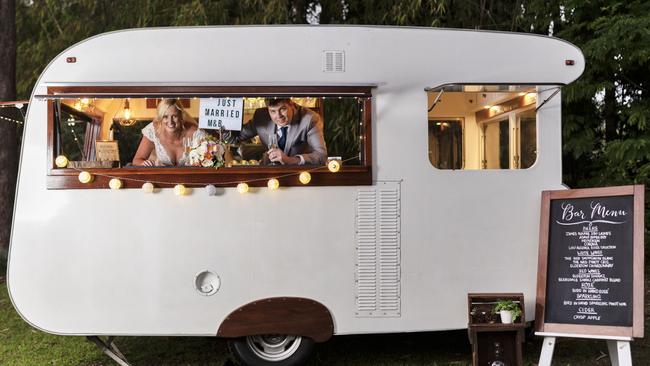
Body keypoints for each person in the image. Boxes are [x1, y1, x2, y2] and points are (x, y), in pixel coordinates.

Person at [237, 98, 327, 165]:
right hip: (268, 173)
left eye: (283, 109)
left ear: (291, 104)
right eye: (273, 111)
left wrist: (289, 160)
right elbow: (237, 138)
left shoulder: (310, 119)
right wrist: (226, 129)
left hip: (300, 175)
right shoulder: (261, 116)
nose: (279, 116)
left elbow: (321, 156)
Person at [132, 99, 206, 166]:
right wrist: (144, 163)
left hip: (190, 179)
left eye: (174, 116)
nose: (170, 122)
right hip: (163, 179)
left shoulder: (196, 134)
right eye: (165, 117)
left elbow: (209, 161)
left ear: (181, 116)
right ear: (160, 118)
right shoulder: (152, 130)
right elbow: (136, 160)